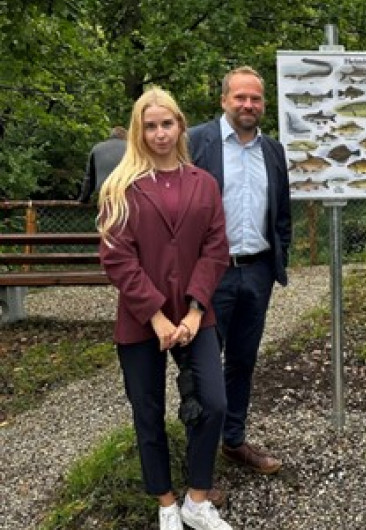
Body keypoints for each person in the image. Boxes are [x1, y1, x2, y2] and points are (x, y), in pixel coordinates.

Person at [97, 87, 232, 530]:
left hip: (196, 314)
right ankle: (166, 503)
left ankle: (197, 498)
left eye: (166, 124)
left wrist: (195, 310)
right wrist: (155, 315)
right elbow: (117, 257)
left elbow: (215, 248)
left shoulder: (204, 183)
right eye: (150, 126)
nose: (159, 134)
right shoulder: (121, 187)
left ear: (180, 125)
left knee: (213, 402)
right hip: (141, 320)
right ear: (139, 131)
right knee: (147, 410)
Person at [189, 66, 291, 475]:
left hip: (257, 271)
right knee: (201, 368)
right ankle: (198, 461)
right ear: (224, 100)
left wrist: (278, 257)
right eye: (240, 97)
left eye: (256, 98)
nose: (248, 105)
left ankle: (233, 441)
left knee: (243, 362)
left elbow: (282, 212)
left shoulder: (273, 151)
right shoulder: (196, 142)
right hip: (210, 275)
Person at [78, 126, 127, 203]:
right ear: (125, 137)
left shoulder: (96, 148)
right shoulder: (131, 148)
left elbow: (89, 179)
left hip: (103, 195)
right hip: (126, 194)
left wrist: (83, 199)